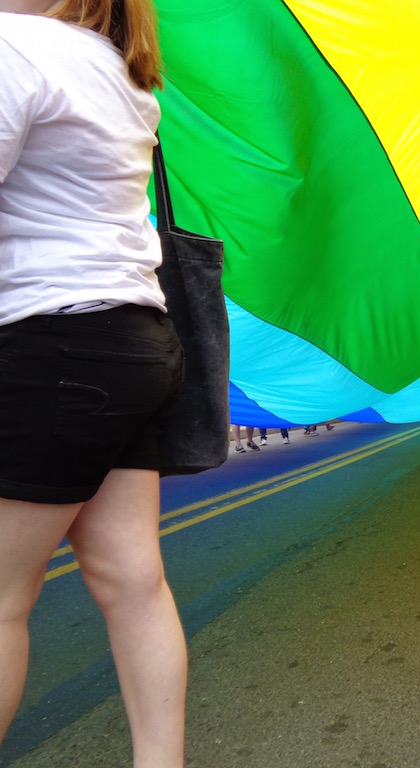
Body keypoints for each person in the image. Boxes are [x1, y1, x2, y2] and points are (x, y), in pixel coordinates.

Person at [0, 1, 188, 764]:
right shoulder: (122, 72)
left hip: (52, 343)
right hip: (130, 340)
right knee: (133, 582)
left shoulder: (14, 44)